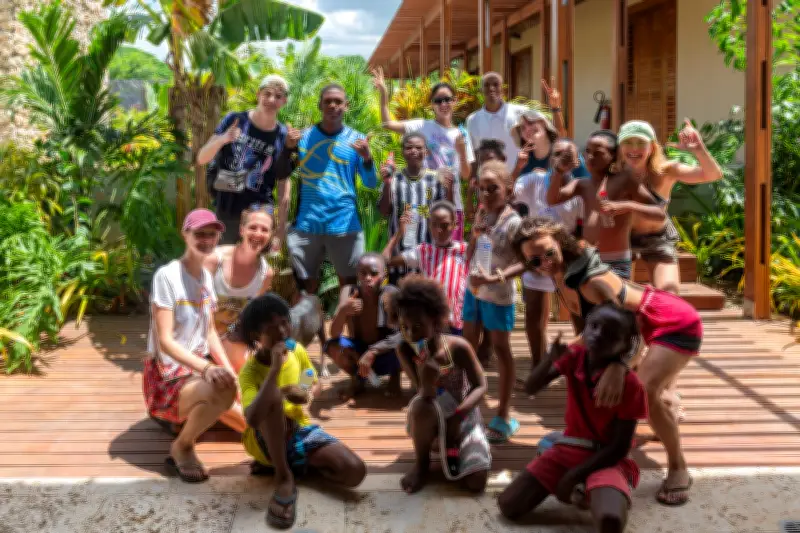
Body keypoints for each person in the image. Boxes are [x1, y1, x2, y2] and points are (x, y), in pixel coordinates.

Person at [510, 217, 704, 506]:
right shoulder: (562, 275)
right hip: (647, 324)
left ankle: (679, 468)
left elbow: (627, 330)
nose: (545, 263)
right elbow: (588, 332)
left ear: (560, 244)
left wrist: (619, 366)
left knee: (645, 391)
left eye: (549, 253)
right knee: (614, 387)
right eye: (535, 261)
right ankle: (648, 424)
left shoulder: (590, 282)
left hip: (673, 323)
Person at [498, 304, 648, 533]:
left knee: (610, 521)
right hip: (569, 448)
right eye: (594, 327)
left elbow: (619, 447)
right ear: (584, 329)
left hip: (605, 457)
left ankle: (603, 486)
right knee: (509, 505)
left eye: (610, 333)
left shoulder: (630, 384)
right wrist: (549, 358)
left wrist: (571, 477)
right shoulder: (575, 357)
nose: (598, 335)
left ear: (625, 344)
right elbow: (530, 387)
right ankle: (583, 484)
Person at [237, 294, 366, 529]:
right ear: (257, 336)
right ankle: (283, 476)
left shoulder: (295, 350)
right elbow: (253, 419)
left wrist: (304, 392)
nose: (283, 331)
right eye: (271, 328)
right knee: (272, 397)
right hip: (263, 438)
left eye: (285, 322)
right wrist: (275, 372)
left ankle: (290, 464)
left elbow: (311, 378)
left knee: (355, 472)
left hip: (298, 431)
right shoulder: (250, 371)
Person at [144, 208, 238, 483]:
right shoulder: (167, 276)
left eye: (212, 234)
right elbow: (165, 340)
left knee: (235, 388)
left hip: (194, 370)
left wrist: (229, 369)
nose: (206, 240)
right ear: (185, 234)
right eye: (199, 234)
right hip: (168, 376)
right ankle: (182, 446)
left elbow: (209, 332)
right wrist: (209, 369)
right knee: (223, 388)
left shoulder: (206, 278)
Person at [392, 275, 491, 494]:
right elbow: (424, 394)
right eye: (404, 327)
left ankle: (453, 446)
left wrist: (458, 416)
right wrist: (426, 377)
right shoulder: (405, 350)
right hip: (430, 416)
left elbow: (481, 386)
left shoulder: (458, 347)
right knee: (420, 407)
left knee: (476, 482)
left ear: (436, 322)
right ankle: (423, 463)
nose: (411, 334)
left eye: (418, 326)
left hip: (463, 413)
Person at [285, 83, 376, 295]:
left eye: (338, 101)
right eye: (328, 101)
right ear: (320, 105)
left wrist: (368, 158)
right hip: (308, 223)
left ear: (346, 106)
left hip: (345, 223)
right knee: (306, 290)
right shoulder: (303, 138)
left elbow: (371, 183)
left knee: (351, 288)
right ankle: (314, 329)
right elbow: (282, 172)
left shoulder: (357, 140)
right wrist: (288, 147)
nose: (333, 105)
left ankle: (349, 329)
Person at [620, 119, 723, 295]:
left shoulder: (666, 170)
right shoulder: (613, 172)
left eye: (641, 143)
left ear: (652, 147)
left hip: (658, 239)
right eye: (628, 142)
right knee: (619, 297)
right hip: (622, 239)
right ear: (619, 147)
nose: (634, 148)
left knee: (669, 295)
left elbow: (712, 175)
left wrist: (698, 150)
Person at [546, 134, 665, 281]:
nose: (590, 157)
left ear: (613, 155)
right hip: (589, 259)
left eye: (598, 153)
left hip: (616, 261)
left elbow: (659, 213)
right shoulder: (582, 185)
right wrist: (558, 171)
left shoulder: (625, 180)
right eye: (587, 151)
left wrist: (627, 205)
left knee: (614, 303)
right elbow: (552, 199)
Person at [198, 75, 298, 248]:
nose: (271, 100)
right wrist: (223, 139)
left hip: (260, 210)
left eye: (278, 96)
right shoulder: (235, 120)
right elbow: (201, 158)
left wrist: (280, 230)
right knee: (225, 263)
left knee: (254, 267)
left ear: (284, 101)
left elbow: (283, 184)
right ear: (258, 94)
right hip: (228, 206)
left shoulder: (283, 136)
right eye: (267, 94)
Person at [373, 67, 473, 240]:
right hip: (424, 204)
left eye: (447, 99)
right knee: (421, 255)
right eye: (438, 100)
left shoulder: (461, 135)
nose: (443, 104)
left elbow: (465, 175)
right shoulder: (421, 126)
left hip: (452, 205)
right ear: (432, 104)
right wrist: (383, 94)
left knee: (449, 257)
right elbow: (387, 124)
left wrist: (462, 152)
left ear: (455, 101)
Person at [464, 161, 522, 443]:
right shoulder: (482, 213)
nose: (486, 194)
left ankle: (503, 413)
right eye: (482, 188)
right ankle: (468, 401)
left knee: (500, 349)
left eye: (493, 188)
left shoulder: (514, 223)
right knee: (468, 345)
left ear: (508, 190)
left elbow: (525, 262)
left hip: (497, 295)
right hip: (473, 290)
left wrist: (494, 279)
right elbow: (473, 247)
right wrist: (473, 241)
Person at [513, 164, 584, 368]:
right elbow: (511, 193)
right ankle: (539, 364)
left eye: (568, 157)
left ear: (575, 161)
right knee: (534, 311)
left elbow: (582, 228)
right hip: (535, 257)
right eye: (557, 157)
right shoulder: (534, 182)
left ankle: (582, 363)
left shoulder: (579, 191)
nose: (562, 162)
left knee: (577, 311)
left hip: (564, 258)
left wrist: (573, 254)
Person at [205, 205, 274, 374]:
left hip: (230, 337)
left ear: (271, 235)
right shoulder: (213, 261)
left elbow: (252, 315)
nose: (258, 233)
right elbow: (194, 314)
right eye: (253, 227)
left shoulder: (266, 273)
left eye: (264, 230)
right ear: (242, 230)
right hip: (200, 336)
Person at [378, 131, 453, 285]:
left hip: (427, 255)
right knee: (398, 301)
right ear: (403, 152)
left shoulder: (434, 179)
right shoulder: (394, 180)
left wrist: (450, 189)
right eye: (409, 147)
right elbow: (384, 211)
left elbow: (447, 212)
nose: (414, 151)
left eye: (419, 148)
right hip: (398, 255)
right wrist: (386, 184)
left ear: (426, 152)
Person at [383, 200, 468, 335]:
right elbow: (384, 261)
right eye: (434, 225)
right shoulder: (423, 252)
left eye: (445, 225)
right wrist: (399, 233)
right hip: (430, 322)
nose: (439, 230)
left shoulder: (464, 250)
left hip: (456, 323)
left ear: (455, 225)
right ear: (429, 226)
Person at [326, 253, 402, 399]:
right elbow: (334, 334)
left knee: (406, 345)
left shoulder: (391, 293)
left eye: (374, 274)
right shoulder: (349, 292)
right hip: (359, 352)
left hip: (385, 353)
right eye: (363, 273)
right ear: (357, 275)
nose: (368, 278)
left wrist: (373, 351)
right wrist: (343, 310)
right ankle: (357, 380)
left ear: (384, 274)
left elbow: (402, 335)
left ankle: (395, 376)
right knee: (333, 346)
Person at [465, 72, 528, 174]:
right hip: (487, 183)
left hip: (518, 180)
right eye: (486, 85)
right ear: (481, 90)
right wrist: (473, 180)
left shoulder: (520, 113)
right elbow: (473, 155)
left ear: (503, 89)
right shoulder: (472, 120)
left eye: (495, 84)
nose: (491, 88)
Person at [509, 108, 589, 182]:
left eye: (530, 122)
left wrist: (547, 177)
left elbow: (585, 184)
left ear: (544, 124)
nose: (527, 129)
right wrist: (517, 168)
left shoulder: (567, 152)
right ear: (522, 136)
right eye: (523, 128)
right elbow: (510, 190)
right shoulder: (524, 160)